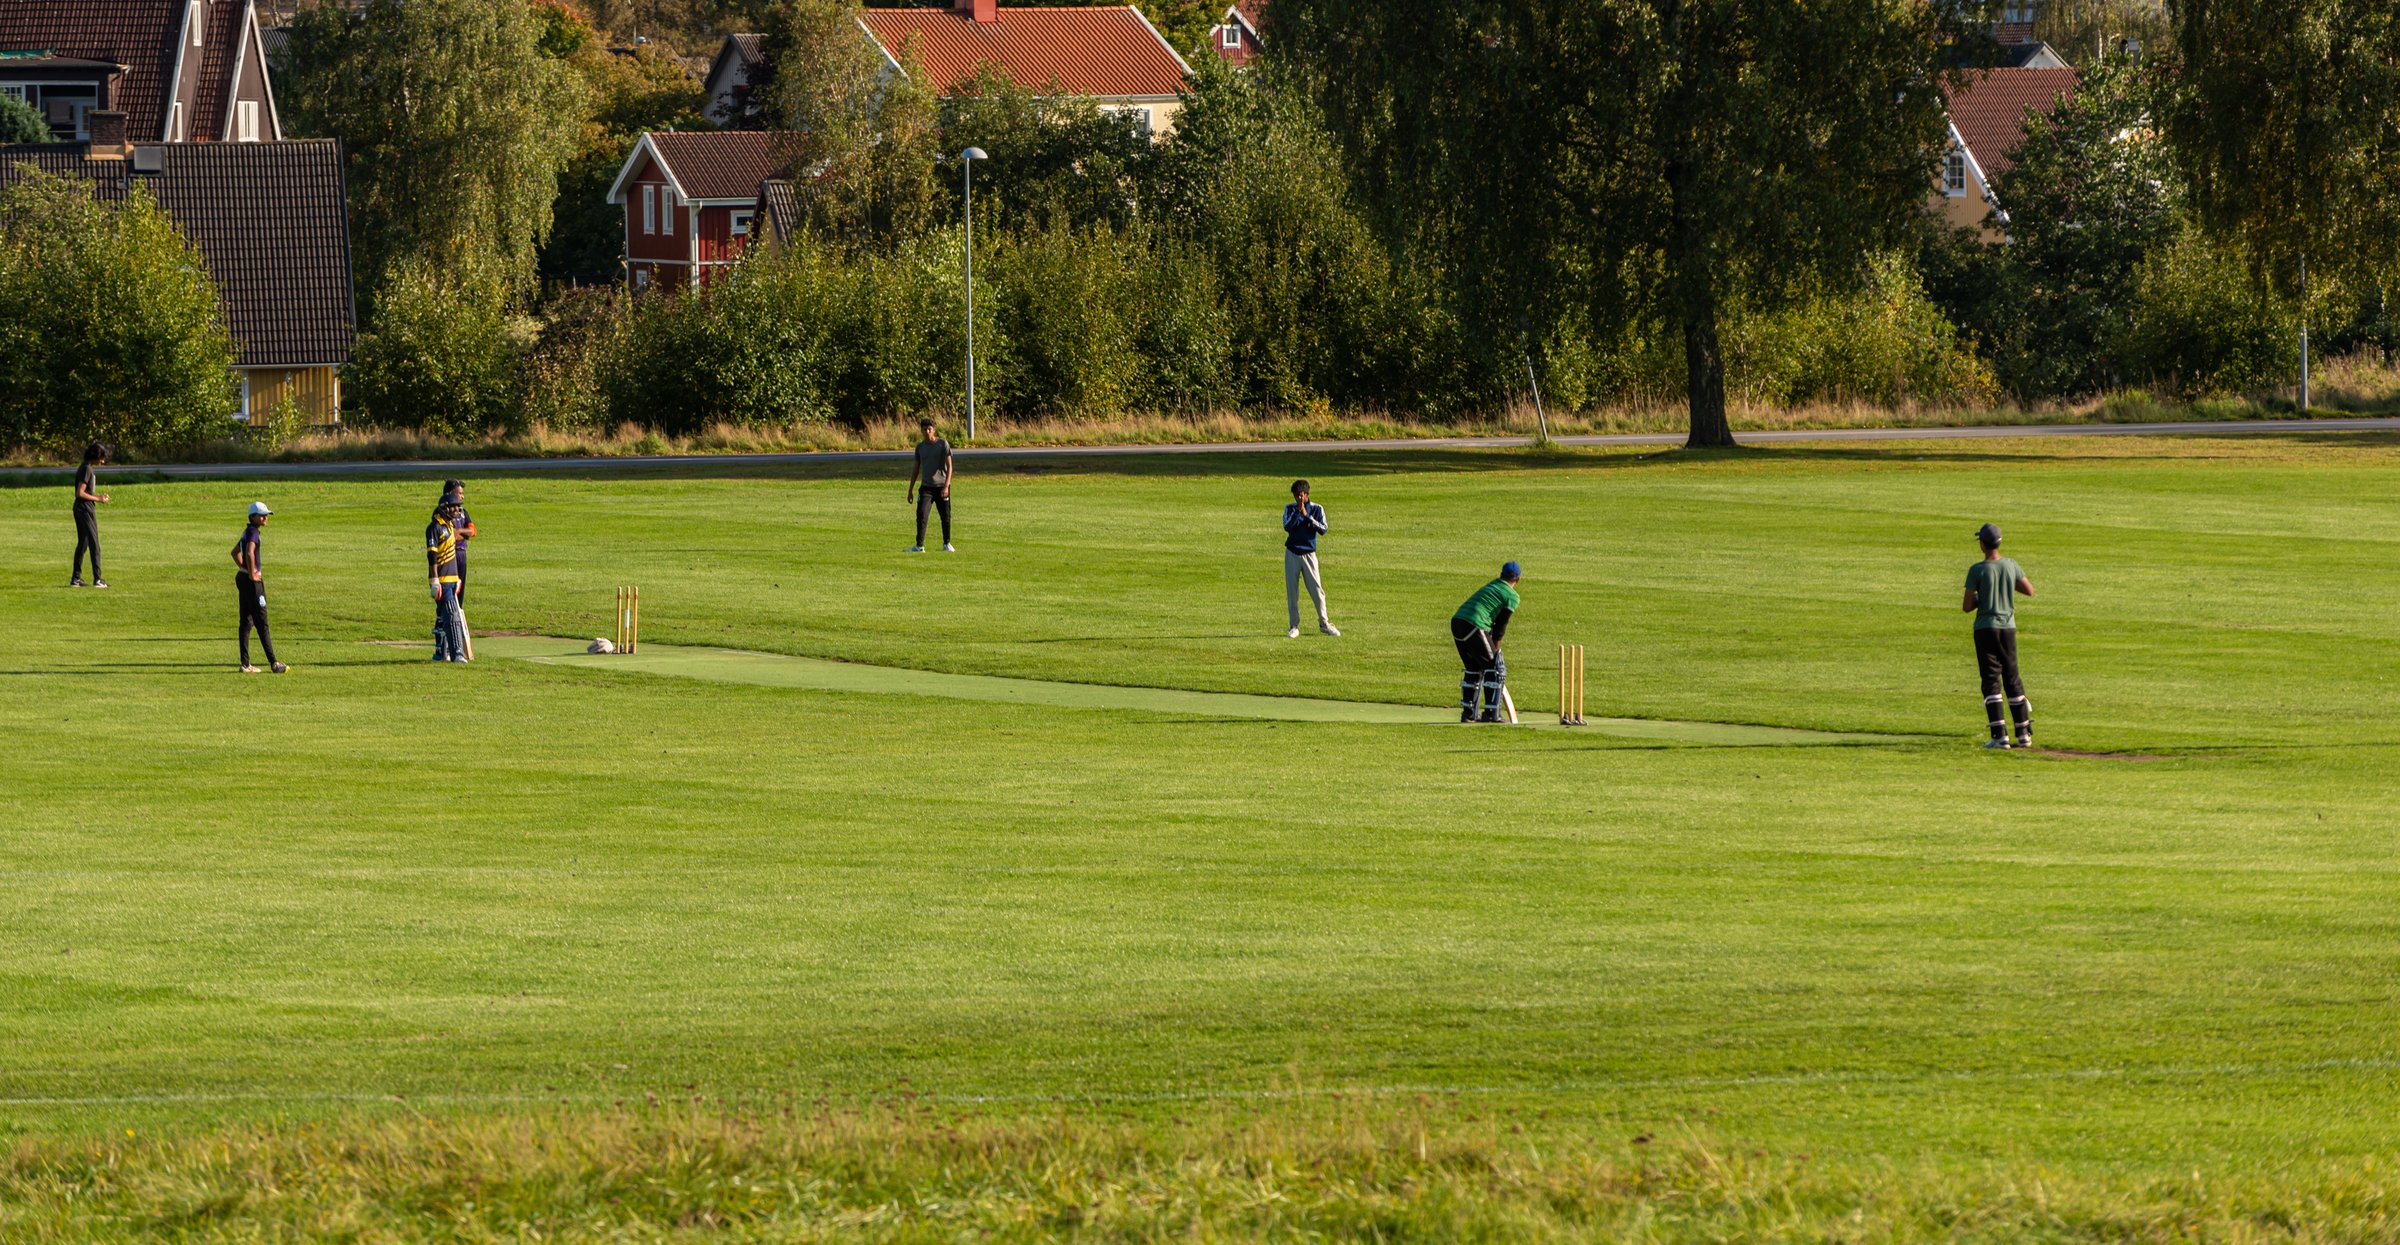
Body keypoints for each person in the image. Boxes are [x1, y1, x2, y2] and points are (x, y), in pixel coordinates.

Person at [1962, 522, 2034, 749]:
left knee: (1991, 680)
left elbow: (1966, 605)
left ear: (1982, 544)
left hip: (1985, 628)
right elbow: (2028, 590)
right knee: (2012, 679)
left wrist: (1986, 595)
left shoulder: (1977, 570)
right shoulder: (2011, 565)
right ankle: (2024, 734)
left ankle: (1999, 736)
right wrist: (2004, 588)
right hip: (2008, 628)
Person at [1451, 561, 1521, 723]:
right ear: (1518, 580)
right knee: (1495, 668)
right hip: (1474, 624)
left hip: (1457, 622)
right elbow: (1501, 626)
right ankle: (1491, 713)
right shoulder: (1512, 596)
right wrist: (1496, 649)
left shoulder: (1493, 585)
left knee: (1473, 668)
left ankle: (1468, 714)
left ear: (1501, 575)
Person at [230, 501, 285, 674]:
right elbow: (248, 552)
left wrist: (244, 569)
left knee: (246, 622)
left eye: (266, 514)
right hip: (253, 583)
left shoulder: (247, 531)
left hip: (242, 579)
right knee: (262, 622)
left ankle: (245, 664)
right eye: (261, 515)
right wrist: (253, 574)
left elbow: (234, 552)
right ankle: (274, 663)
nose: (265, 517)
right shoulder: (253, 533)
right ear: (252, 517)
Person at [1281, 480, 1339, 639]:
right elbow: (1287, 526)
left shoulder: (1317, 509)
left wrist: (1306, 516)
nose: (1298, 499)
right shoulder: (1289, 508)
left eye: (1300, 495)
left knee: (1317, 590)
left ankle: (1324, 623)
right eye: (1296, 496)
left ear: (1306, 495)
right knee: (1292, 592)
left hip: (1309, 555)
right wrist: (1298, 513)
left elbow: (1323, 529)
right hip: (1292, 553)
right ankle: (1294, 626)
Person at [427, 497, 468, 662]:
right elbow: (432, 555)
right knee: (451, 614)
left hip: (452, 578)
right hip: (442, 579)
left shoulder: (450, 526)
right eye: (454, 507)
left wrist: (457, 577)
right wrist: (435, 579)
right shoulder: (434, 528)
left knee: (443, 615)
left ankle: (440, 653)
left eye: (458, 507)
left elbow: (453, 552)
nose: (457, 510)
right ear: (445, 507)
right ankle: (457, 653)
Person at [906, 418, 954, 553]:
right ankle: (919, 546)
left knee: (945, 516)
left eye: (929, 429)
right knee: (922, 514)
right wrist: (910, 490)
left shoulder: (942, 444)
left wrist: (946, 486)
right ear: (921, 431)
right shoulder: (920, 448)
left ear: (934, 430)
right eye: (924, 429)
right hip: (926, 487)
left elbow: (950, 467)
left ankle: (947, 543)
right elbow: (915, 469)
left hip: (941, 486)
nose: (927, 432)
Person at [70, 441, 110, 587]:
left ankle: (76, 578)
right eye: (101, 458)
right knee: (94, 544)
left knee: (83, 543)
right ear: (95, 456)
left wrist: (98, 496)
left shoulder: (85, 467)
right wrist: (98, 499)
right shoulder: (87, 469)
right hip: (85, 509)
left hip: (80, 508)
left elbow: (85, 491)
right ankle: (98, 579)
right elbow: (80, 493)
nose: (103, 461)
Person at [441, 479, 477, 602]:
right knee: (450, 588)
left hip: (462, 554)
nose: (462, 496)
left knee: (460, 587)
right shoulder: (444, 513)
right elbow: (450, 536)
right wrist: (462, 533)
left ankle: (458, 612)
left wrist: (459, 531)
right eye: (459, 493)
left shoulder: (463, 513)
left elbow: (472, 531)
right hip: (450, 554)